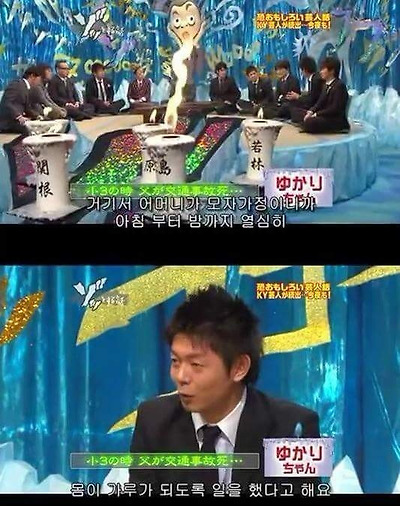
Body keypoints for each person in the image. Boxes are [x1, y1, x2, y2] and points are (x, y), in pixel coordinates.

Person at [129, 285, 321, 496]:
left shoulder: (294, 429)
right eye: (175, 361)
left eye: (196, 365)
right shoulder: (153, 421)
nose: (181, 376)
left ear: (239, 368)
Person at [301, 57, 350, 133]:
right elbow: (319, 103)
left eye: (323, 69)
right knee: (302, 114)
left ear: (332, 71)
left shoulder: (339, 86)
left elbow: (334, 108)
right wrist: (311, 111)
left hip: (335, 119)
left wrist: (317, 114)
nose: (320, 72)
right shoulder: (325, 85)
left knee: (310, 122)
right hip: (325, 116)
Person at [0, 66, 41, 135]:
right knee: (30, 130)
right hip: (8, 122)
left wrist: (38, 116)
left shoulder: (26, 87)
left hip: (17, 121)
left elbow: (27, 108)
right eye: (39, 78)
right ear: (32, 76)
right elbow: (7, 102)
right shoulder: (16, 85)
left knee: (38, 127)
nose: (39, 81)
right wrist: (18, 116)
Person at [288, 56, 325, 124]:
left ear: (305, 69)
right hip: (313, 106)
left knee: (294, 110)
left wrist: (298, 97)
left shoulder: (316, 80)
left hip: (317, 108)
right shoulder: (313, 78)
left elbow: (312, 99)